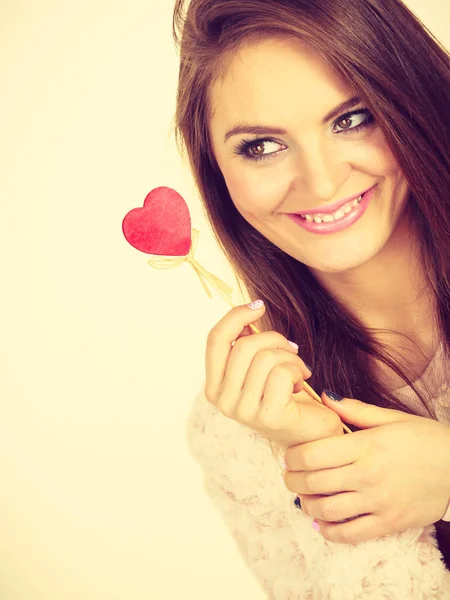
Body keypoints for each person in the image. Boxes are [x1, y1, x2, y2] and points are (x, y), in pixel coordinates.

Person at [172, 0, 450, 595]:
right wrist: (322, 457)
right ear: (216, 168)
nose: (321, 182)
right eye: (263, 147)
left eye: (352, 118)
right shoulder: (238, 429)